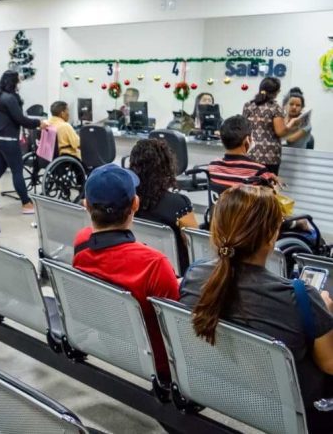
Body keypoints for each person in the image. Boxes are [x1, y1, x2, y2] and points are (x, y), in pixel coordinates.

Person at [180, 185, 333, 431]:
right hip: (292, 409)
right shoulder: (301, 298)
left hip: (218, 388)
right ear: (272, 236)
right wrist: (323, 312)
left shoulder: (195, 276)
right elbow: (329, 363)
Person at [73, 163, 178, 381]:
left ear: (86, 205)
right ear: (135, 204)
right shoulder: (154, 264)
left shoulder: (81, 243)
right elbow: (177, 330)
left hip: (111, 343)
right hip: (161, 363)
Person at [0, 70, 48, 215]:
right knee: (17, 171)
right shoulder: (10, 98)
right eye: (18, 81)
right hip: (8, 139)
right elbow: (20, 119)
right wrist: (39, 123)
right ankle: (26, 203)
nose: (19, 84)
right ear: (13, 82)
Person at [129, 139, 198, 273]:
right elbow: (195, 246)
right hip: (175, 275)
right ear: (166, 167)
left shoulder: (128, 201)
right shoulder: (179, 204)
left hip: (138, 267)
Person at [242, 77, 301, 175]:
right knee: (268, 187)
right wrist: (292, 124)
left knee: (251, 185)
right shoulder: (275, 107)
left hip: (250, 153)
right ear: (276, 92)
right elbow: (280, 132)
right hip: (270, 156)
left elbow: (244, 127)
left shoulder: (248, 105)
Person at [207, 116, 278, 194]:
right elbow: (269, 202)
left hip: (219, 206)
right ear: (247, 140)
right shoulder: (258, 171)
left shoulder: (213, 166)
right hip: (248, 206)